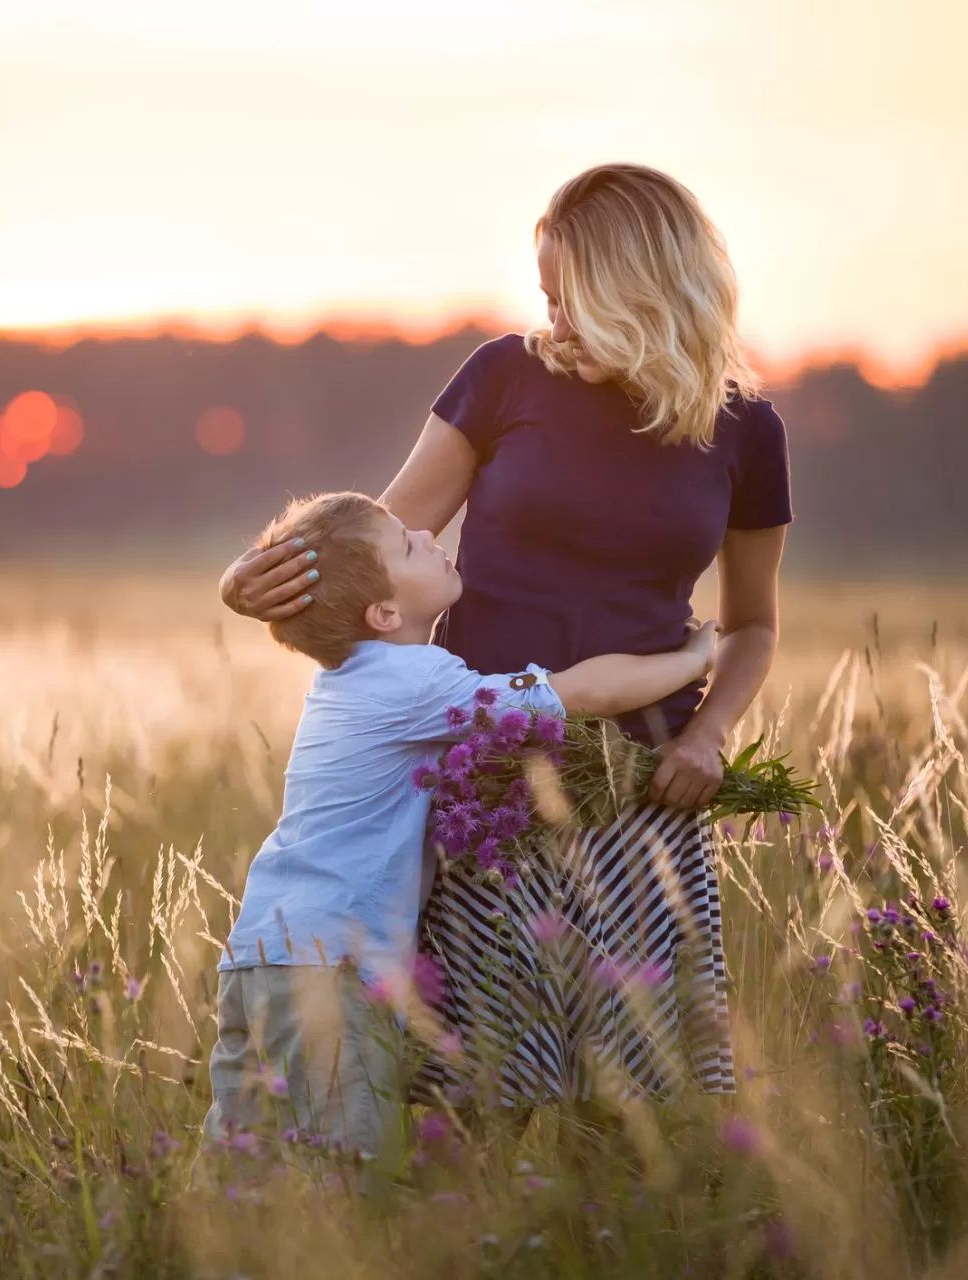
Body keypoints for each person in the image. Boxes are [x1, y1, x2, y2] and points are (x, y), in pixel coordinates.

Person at [219, 163, 791, 1106]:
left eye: (572, 299)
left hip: (646, 795)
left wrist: (709, 731)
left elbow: (754, 625)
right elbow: (377, 544)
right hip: (488, 792)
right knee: (477, 1093)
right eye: (546, 296)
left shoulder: (745, 432)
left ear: (641, 291)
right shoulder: (504, 378)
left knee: (645, 1098)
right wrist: (257, 579)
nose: (553, 321)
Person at [203, 490, 718, 1161]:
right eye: (407, 545)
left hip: (263, 952)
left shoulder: (350, 680)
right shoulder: (415, 681)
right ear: (384, 612)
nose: (425, 531)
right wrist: (696, 658)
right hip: (333, 962)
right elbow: (582, 691)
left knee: (244, 1158)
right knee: (348, 1167)